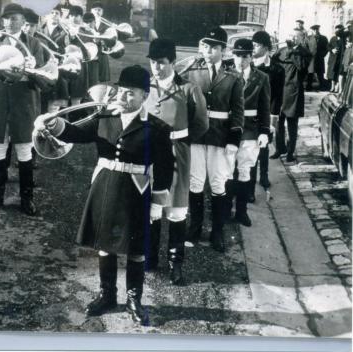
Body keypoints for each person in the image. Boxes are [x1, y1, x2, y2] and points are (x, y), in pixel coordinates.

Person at [34, 65, 175, 325]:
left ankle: (134, 299)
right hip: (106, 185)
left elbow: (165, 167)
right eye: (120, 91)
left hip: (136, 189)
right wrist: (52, 123)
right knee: (103, 244)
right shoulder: (104, 117)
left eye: (130, 93)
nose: (123, 97)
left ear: (145, 96)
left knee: (136, 249)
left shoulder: (157, 128)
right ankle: (107, 294)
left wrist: (158, 202)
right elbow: (75, 132)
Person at [143, 38, 208, 284]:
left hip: (176, 154)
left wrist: (181, 142)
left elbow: (201, 124)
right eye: (153, 62)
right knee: (152, 209)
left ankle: (175, 263)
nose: (156, 68)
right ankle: (150, 258)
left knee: (177, 211)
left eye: (161, 63)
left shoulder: (189, 89)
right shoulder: (145, 87)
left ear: (172, 62)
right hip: (149, 156)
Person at [180, 26, 244, 253]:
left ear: (223, 51)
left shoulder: (233, 77)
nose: (208, 51)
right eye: (205, 46)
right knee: (195, 182)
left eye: (213, 47)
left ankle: (217, 231)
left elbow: (237, 111)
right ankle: (194, 228)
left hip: (220, 137)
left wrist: (234, 139)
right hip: (196, 135)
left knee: (218, 184)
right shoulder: (191, 71)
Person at [0, 3, 45, 215]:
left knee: (24, 151)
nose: (10, 23)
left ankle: (27, 199)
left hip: (23, 102)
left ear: (23, 22)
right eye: (6, 19)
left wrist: (33, 67)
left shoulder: (34, 43)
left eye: (15, 18)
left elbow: (45, 80)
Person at [225, 39, 270, 227]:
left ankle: (242, 211)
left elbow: (265, 107)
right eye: (237, 56)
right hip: (228, 129)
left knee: (245, 171)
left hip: (250, 130)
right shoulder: (225, 75)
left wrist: (264, 131)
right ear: (232, 56)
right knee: (226, 171)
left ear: (252, 57)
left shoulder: (261, 78)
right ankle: (225, 209)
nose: (240, 61)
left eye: (245, 56)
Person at [250, 31, 285, 197]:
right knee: (248, 149)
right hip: (247, 114)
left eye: (256, 45)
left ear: (265, 47)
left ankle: (263, 175)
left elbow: (277, 97)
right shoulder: (247, 64)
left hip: (265, 114)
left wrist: (273, 119)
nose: (253, 48)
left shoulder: (276, 69)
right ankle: (247, 184)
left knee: (263, 147)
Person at [271, 29, 311, 163]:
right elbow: (272, 64)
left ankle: (290, 152)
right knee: (278, 122)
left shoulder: (304, 53)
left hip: (293, 92)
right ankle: (279, 149)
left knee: (292, 124)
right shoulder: (280, 51)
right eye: (290, 36)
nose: (292, 38)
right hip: (279, 91)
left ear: (301, 39)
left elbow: (301, 67)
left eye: (295, 37)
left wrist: (293, 51)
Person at [90, 2, 111, 83]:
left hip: (102, 52)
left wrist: (104, 42)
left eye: (99, 10)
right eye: (95, 10)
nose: (97, 12)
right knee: (91, 76)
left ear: (102, 12)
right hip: (91, 51)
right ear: (91, 11)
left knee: (102, 77)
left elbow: (110, 38)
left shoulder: (107, 24)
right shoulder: (87, 22)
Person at [306, 25, 328, 91]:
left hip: (319, 58)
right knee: (310, 72)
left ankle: (322, 86)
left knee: (320, 73)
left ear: (319, 29)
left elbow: (326, 48)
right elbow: (306, 47)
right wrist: (308, 55)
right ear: (312, 31)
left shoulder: (324, 38)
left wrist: (322, 55)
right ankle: (309, 86)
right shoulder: (308, 38)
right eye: (314, 30)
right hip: (311, 58)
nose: (315, 31)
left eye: (317, 29)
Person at [327, 24, 346, 93]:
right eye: (337, 29)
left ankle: (337, 88)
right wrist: (332, 50)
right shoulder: (333, 38)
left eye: (340, 29)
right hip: (333, 59)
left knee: (338, 73)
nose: (338, 31)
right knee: (332, 73)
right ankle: (332, 87)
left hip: (339, 59)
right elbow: (328, 46)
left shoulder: (343, 39)